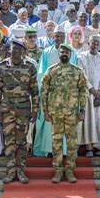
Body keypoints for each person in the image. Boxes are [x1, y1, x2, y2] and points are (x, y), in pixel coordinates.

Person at [41, 43, 88, 183]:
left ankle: (69, 170)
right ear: (59, 54)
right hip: (56, 113)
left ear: (71, 54)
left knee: (72, 143)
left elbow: (83, 92)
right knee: (56, 142)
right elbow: (44, 91)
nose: (64, 54)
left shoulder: (78, 71)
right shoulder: (51, 71)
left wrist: (82, 110)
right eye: (62, 52)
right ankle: (57, 171)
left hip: (72, 113)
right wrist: (45, 110)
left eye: (67, 52)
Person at [0, 39, 39, 184]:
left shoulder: (30, 67)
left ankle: (21, 170)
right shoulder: (2, 66)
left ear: (24, 52)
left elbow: (34, 90)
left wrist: (35, 109)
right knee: (9, 141)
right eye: (13, 49)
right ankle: (10, 171)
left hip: (24, 109)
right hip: (7, 109)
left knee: (22, 141)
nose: (16, 52)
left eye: (19, 50)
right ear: (10, 50)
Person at [33, 25, 78, 157]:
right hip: (51, 94)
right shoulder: (46, 52)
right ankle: (48, 150)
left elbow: (74, 72)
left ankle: (63, 152)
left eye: (61, 36)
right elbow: (41, 73)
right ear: (53, 37)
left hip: (66, 96)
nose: (58, 38)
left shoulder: (72, 52)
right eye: (56, 36)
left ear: (65, 37)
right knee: (48, 123)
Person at [78, 35, 100, 157]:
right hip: (87, 94)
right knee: (89, 121)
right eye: (92, 43)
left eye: (97, 43)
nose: (95, 45)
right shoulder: (82, 57)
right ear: (88, 43)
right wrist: (93, 91)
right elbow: (82, 75)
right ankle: (89, 148)